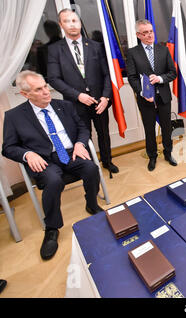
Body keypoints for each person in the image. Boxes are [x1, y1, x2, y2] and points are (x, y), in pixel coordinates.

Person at [2, 71, 102, 260]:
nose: (46, 92)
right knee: (54, 181)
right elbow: (8, 148)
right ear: (25, 94)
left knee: (91, 168)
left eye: (46, 86)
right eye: (39, 89)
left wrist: (80, 143)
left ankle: (92, 203)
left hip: (71, 152)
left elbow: (82, 128)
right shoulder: (15, 116)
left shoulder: (64, 106)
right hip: (44, 160)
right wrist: (27, 154)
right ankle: (52, 228)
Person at [47, 9, 118, 175]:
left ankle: (107, 162)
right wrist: (78, 95)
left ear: (79, 22)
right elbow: (54, 79)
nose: (72, 24)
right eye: (67, 21)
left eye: (75, 20)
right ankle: (91, 167)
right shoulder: (55, 50)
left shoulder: (95, 46)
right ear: (61, 25)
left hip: (99, 101)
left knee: (104, 134)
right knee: (83, 136)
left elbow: (107, 74)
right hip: (75, 104)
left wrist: (106, 97)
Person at [126, 19, 177, 171]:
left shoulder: (163, 50)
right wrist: (142, 92)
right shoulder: (132, 53)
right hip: (145, 99)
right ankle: (152, 156)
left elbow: (172, 73)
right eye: (145, 33)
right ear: (138, 35)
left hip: (164, 97)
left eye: (151, 31)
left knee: (167, 128)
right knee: (149, 129)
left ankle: (168, 153)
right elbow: (132, 77)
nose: (149, 35)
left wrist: (160, 78)